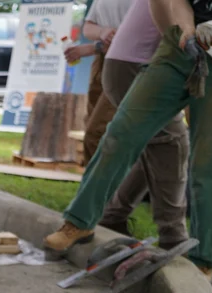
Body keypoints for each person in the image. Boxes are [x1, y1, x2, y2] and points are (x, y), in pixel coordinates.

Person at [44, 0, 212, 280]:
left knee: (208, 164)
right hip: (180, 44)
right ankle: (79, 222)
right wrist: (186, 27)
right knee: (121, 133)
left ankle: (204, 260)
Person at [68, 0, 191, 247]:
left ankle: (111, 216)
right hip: (138, 62)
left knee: (154, 143)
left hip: (134, 60)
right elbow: (170, 23)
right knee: (170, 143)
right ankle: (172, 236)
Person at [64, 0, 136, 162]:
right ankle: (96, 184)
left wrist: (93, 47)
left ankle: (102, 185)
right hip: (102, 62)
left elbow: (138, 36)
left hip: (127, 63)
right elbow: (89, 27)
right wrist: (102, 32)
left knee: (97, 132)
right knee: (92, 126)